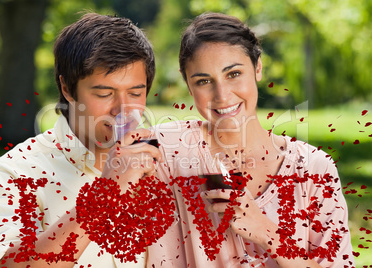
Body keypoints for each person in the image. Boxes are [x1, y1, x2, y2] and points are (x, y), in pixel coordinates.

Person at [149, 12, 355, 268]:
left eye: (233, 74)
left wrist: (266, 231)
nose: (222, 96)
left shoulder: (313, 168)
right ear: (188, 85)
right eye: (203, 81)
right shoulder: (166, 149)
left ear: (257, 67)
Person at [0, 13, 164, 267]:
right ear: (67, 88)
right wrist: (104, 195)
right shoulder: (14, 173)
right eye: (104, 93)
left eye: (135, 92)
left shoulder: (162, 162)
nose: (123, 109)